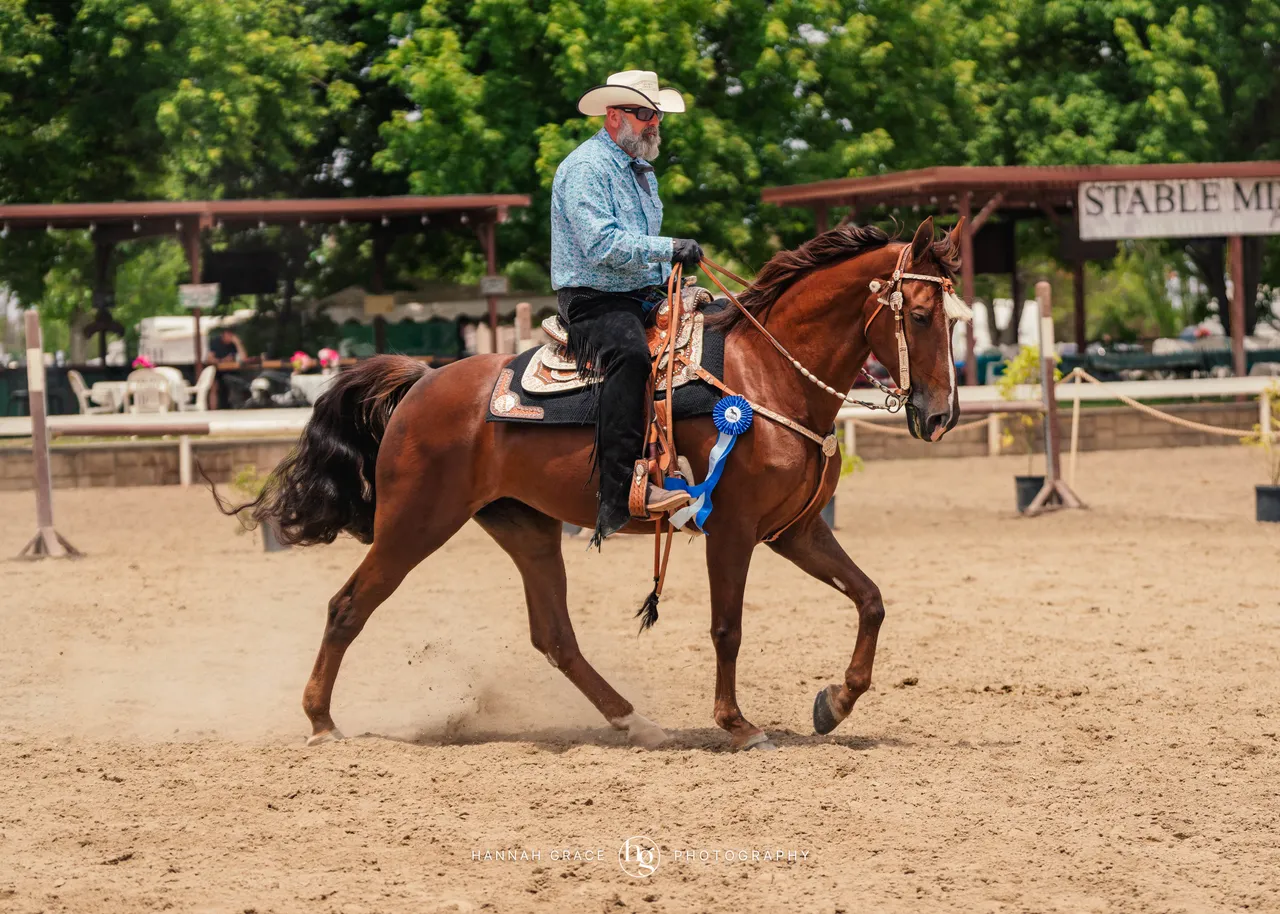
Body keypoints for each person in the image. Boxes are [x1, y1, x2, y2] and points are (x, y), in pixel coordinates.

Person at [551, 69, 705, 547]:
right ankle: (618, 494)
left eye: (656, 114)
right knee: (631, 357)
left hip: (642, 294)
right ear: (613, 116)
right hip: (594, 299)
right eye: (645, 114)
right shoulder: (585, 168)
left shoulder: (641, 172)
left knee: (717, 333)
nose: (654, 122)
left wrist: (674, 275)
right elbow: (601, 245)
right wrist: (670, 248)